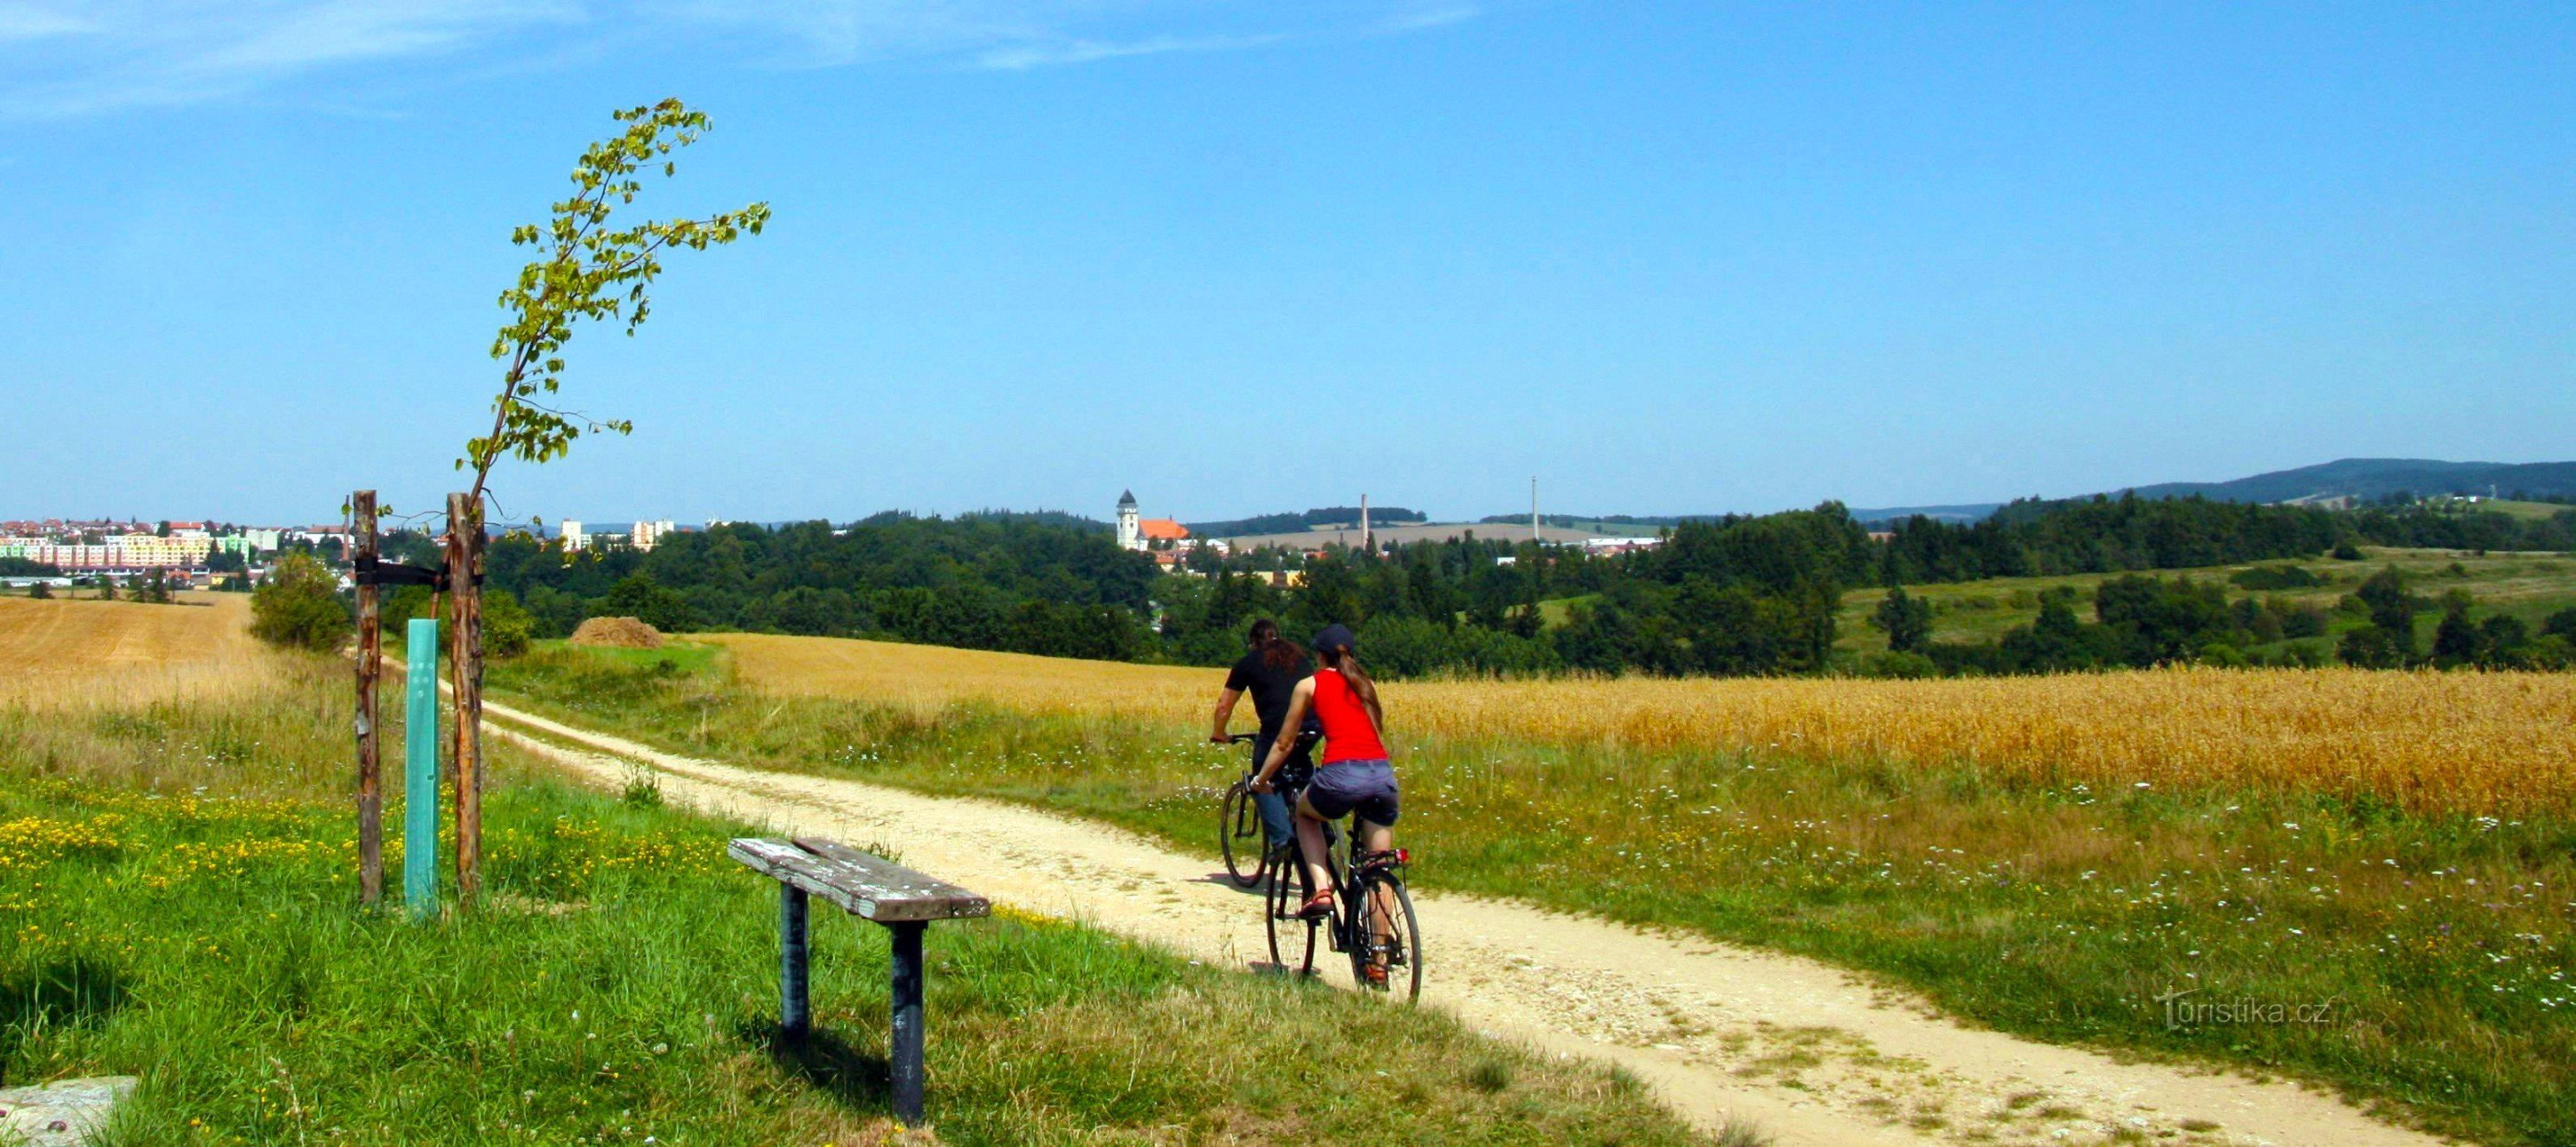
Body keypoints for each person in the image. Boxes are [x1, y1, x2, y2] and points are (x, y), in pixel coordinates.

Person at [1252, 623, 1400, 979]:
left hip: (1341, 774)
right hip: (1382, 775)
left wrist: (1262, 779)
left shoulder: (1310, 684)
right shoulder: (1366, 683)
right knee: (1378, 868)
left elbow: (1285, 743)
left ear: (1318, 654)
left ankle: (1320, 890)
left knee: (1305, 814)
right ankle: (1379, 960)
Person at [1210, 618, 1315, 857]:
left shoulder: (1249, 662)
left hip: (1279, 727)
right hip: (1312, 724)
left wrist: (1219, 733)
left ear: (1253, 642)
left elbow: (1224, 706)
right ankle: (1320, 826)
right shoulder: (1300, 658)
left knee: (1261, 774)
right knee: (1301, 767)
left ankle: (1282, 841)